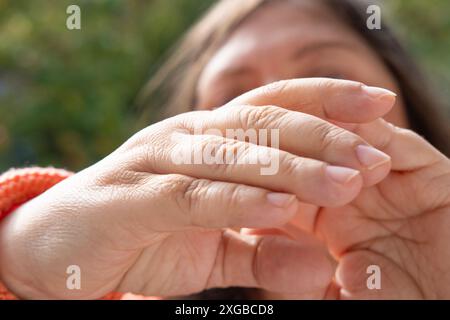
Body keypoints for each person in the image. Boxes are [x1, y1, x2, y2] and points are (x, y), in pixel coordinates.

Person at [0, 0, 449, 300]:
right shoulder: (137, 286)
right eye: (239, 96)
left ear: (403, 102)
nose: (279, 114)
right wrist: (21, 266)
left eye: (327, 74)